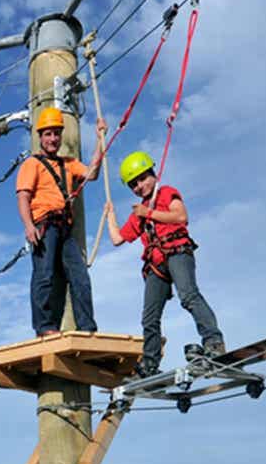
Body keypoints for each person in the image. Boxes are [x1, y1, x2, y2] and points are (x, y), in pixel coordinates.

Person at [105, 151, 225, 376]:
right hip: (156, 265)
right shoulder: (139, 212)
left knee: (189, 296)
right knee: (149, 317)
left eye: (142, 179)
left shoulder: (166, 193)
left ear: (152, 174)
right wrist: (110, 216)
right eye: (133, 184)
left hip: (177, 251)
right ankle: (150, 363)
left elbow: (180, 217)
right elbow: (118, 239)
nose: (139, 186)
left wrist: (148, 212)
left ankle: (213, 342)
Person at [16, 107, 107, 337]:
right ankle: (45, 326)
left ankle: (87, 327)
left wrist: (100, 140)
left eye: (56, 133)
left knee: (79, 277)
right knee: (44, 276)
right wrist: (28, 226)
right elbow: (23, 196)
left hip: (64, 228)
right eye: (48, 134)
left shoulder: (68, 163)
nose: (53, 139)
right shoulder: (32, 164)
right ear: (40, 137)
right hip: (44, 225)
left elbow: (92, 174)